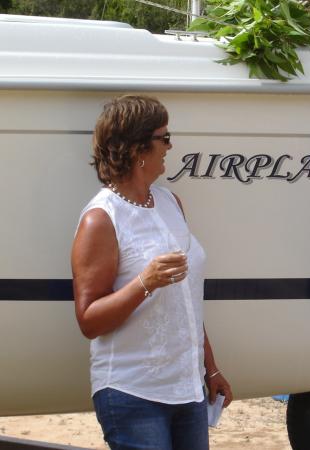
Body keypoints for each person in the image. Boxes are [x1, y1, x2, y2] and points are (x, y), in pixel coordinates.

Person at [71, 94, 232, 450]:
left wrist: (211, 367)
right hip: (132, 391)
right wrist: (145, 282)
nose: (170, 146)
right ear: (137, 148)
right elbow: (88, 321)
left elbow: (186, 300)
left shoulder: (171, 203)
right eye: (165, 137)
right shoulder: (101, 218)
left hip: (187, 388)